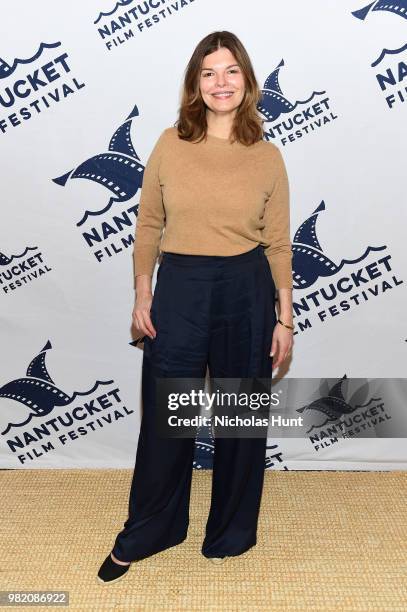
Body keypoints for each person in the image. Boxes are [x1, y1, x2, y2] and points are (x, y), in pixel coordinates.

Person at [97, 30, 294, 585]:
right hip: (180, 286)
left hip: (247, 286)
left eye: (230, 71)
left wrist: (285, 317)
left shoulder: (267, 156)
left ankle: (230, 530)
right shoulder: (168, 143)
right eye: (208, 73)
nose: (220, 82)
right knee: (167, 417)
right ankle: (153, 529)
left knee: (238, 417)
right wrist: (143, 293)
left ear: (247, 81)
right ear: (195, 84)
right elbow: (149, 225)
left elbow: (279, 243)